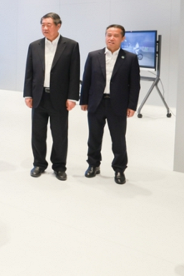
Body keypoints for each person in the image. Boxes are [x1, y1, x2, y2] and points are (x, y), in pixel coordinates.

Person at [80, 24, 140, 185]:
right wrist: (83, 100)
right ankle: (93, 165)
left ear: (122, 38)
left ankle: (119, 169)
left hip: (118, 105)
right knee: (94, 137)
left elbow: (135, 85)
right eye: (108, 35)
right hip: (96, 103)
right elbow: (86, 80)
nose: (111, 38)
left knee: (118, 139)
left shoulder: (130, 58)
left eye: (115, 35)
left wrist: (132, 105)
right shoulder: (93, 56)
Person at [23, 12, 80, 181]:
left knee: (60, 135)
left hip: (60, 98)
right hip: (39, 97)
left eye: (49, 25)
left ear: (58, 25)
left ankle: (59, 166)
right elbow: (29, 72)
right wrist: (28, 94)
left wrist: (72, 97)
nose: (45, 28)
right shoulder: (34, 46)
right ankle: (39, 164)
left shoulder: (71, 45)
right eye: (43, 25)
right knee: (38, 134)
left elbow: (74, 74)